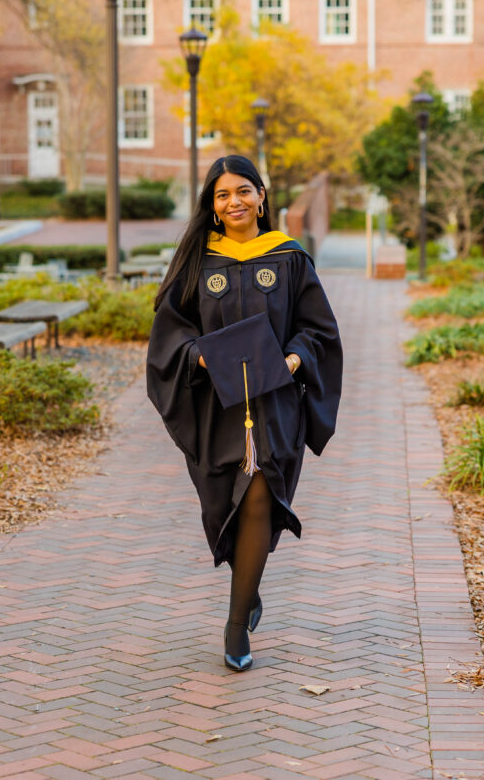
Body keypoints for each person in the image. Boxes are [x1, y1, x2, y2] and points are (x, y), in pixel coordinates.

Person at [146, 155, 342, 672]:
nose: (233, 202)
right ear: (212, 207)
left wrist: (294, 357)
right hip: (216, 404)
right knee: (220, 508)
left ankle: (236, 626)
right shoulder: (196, 262)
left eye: (243, 192)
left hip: (273, 403)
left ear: (261, 195)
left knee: (259, 494)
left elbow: (319, 328)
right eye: (222, 195)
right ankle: (247, 584)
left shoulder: (288, 258)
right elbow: (171, 333)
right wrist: (200, 355)